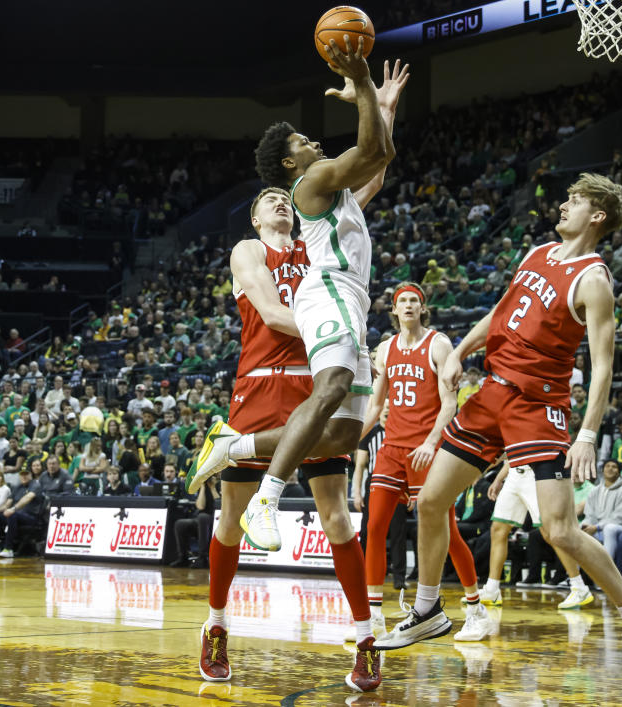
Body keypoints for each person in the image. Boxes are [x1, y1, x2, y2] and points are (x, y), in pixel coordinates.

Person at [373, 173, 622, 681]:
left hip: (538, 406)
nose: (563, 205)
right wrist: (463, 351)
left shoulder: (594, 280)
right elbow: (501, 310)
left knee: (560, 529)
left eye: (574, 201)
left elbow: (602, 364)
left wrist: (587, 432)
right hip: (492, 392)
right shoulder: (538, 253)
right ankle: (428, 610)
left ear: (596, 215)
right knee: (429, 501)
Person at [185, 58, 409, 692]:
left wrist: (383, 106)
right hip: (264, 382)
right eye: (272, 202)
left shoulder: (318, 234)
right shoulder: (250, 251)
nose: (282, 206)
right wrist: (327, 332)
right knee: (232, 521)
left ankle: (365, 637)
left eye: (285, 201)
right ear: (257, 217)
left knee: (338, 519)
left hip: (314, 380)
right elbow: (273, 311)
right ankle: (217, 621)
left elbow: (370, 168)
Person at [358, 282, 484, 640]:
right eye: (402, 301)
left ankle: (475, 608)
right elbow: (375, 405)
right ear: (394, 310)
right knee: (375, 526)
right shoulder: (385, 350)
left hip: (427, 452)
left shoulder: (439, 344)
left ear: (422, 307)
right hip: (392, 450)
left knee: (448, 534)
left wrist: (432, 441)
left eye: (415, 300)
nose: (409, 305)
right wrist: (352, 439)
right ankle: (374, 618)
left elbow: (449, 403)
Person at [481, 460, 594, 611]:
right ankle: (492, 589)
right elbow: (511, 450)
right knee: (498, 529)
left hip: (536, 472)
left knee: (550, 532)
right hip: (514, 473)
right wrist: (498, 478)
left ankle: (579, 587)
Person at [0, 466, 44, 558]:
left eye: (26, 474)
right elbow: (8, 504)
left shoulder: (35, 485)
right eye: (22, 475)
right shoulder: (17, 487)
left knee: (12, 515)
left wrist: (13, 509)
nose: (24, 477)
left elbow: (28, 497)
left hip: (32, 516)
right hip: (16, 515)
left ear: (31, 475)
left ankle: (8, 549)